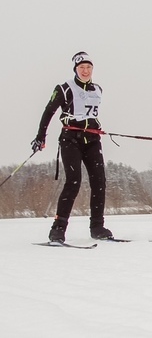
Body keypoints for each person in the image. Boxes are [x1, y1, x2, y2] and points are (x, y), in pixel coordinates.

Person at [31, 51, 113, 242]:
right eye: (81, 67)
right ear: (75, 69)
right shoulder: (64, 88)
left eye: (89, 67)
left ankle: (97, 227)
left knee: (99, 182)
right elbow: (49, 111)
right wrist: (40, 137)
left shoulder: (97, 89)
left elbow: (91, 114)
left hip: (92, 141)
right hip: (71, 140)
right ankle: (58, 229)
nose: (85, 71)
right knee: (73, 181)